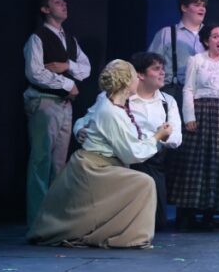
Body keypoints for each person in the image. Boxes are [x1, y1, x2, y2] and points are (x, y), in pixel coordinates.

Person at [28, 60, 171, 248]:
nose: (138, 79)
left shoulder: (114, 105)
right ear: (126, 81)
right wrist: (157, 137)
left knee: (140, 182)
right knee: (144, 183)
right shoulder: (109, 109)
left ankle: (123, 233)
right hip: (93, 169)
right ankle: (129, 237)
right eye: (134, 76)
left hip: (106, 165)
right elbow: (132, 152)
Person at [169, 24, 219, 230]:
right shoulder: (197, 60)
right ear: (206, 41)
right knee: (195, 165)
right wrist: (189, 116)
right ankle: (186, 215)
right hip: (202, 112)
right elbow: (188, 89)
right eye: (215, 36)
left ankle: (209, 215)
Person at [23, 0, 92, 225]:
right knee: (41, 160)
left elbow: (85, 68)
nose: (63, 4)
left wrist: (66, 67)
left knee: (58, 163)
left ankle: (55, 217)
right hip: (45, 101)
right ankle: (37, 219)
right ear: (45, 10)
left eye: (64, 1)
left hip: (64, 105)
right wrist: (67, 85)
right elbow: (35, 72)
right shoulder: (38, 37)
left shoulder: (70, 39)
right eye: (56, 2)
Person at [127, 51, 182, 232]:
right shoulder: (125, 98)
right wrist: (81, 129)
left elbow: (176, 138)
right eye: (156, 69)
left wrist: (159, 136)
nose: (162, 73)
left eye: (163, 69)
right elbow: (88, 120)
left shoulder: (168, 101)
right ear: (140, 75)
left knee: (157, 222)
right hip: (126, 161)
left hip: (153, 161)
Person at [148, 0, 207, 106]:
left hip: (204, 95)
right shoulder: (167, 34)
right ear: (184, 8)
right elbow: (150, 65)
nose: (202, 9)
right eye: (197, 5)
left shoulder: (211, 35)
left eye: (204, 6)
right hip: (175, 93)